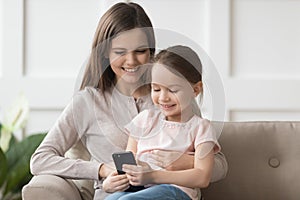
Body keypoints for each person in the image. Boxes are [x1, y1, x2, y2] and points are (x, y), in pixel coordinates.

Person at [30, 2, 227, 199]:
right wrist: (101, 170)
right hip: (115, 193)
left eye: (140, 51)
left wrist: (181, 162)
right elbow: (40, 160)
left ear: (151, 51)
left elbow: (219, 166)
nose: (131, 61)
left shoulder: (175, 98)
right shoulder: (87, 102)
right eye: (120, 52)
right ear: (105, 53)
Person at [104, 45, 220, 200]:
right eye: (156, 89)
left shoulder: (201, 128)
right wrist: (111, 182)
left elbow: (202, 177)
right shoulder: (144, 120)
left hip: (176, 191)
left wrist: (153, 176)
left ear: (195, 90)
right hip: (140, 190)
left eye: (172, 90)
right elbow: (130, 164)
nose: (163, 98)